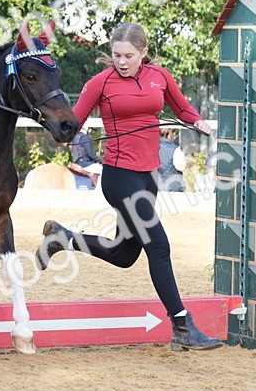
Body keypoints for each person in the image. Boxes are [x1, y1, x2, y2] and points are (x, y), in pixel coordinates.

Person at [38, 22, 221, 351]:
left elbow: (181, 107)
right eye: (116, 55)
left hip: (148, 177)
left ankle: (62, 238)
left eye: (128, 56)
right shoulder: (100, 83)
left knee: (123, 255)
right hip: (120, 177)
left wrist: (197, 121)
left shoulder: (160, 77)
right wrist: (62, 130)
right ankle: (182, 325)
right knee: (159, 246)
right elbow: (75, 119)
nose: (121, 61)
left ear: (143, 53)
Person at [157, 127, 187, 193]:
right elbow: (181, 167)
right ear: (171, 133)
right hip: (173, 188)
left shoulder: (153, 148)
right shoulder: (176, 149)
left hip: (157, 188)